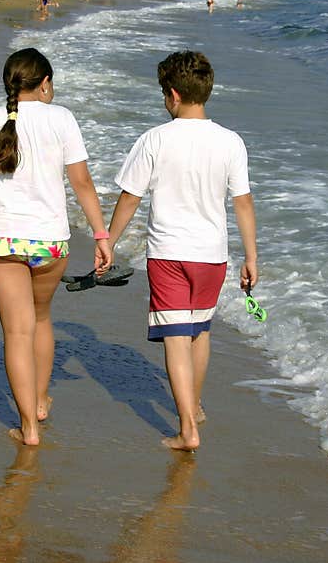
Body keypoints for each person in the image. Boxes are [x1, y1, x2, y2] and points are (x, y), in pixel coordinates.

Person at [0, 48, 112, 446]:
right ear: (44, 85)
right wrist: (101, 235)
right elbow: (82, 184)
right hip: (50, 241)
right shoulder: (62, 118)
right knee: (41, 319)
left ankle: (29, 427)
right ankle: (40, 401)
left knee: (16, 332)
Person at [107, 51, 259, 452]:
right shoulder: (231, 141)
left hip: (169, 254)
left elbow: (130, 197)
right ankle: (195, 406)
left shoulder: (155, 139)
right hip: (212, 255)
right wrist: (252, 256)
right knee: (199, 331)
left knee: (175, 339)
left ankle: (187, 428)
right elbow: (242, 202)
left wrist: (108, 239)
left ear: (172, 95)